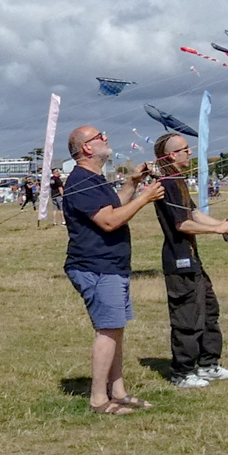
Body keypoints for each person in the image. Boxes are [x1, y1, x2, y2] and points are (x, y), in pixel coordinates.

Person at [60, 125, 163, 415]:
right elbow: (109, 221)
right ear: (86, 148)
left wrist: (132, 183)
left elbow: (113, 206)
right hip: (96, 267)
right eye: (99, 136)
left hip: (112, 266)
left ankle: (118, 392)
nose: (106, 138)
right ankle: (98, 399)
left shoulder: (95, 179)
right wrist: (145, 198)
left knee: (116, 329)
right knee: (107, 331)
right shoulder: (80, 181)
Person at [152, 133, 228, 389]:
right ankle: (182, 372)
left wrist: (225, 225)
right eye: (185, 149)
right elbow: (182, 224)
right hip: (178, 260)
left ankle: (208, 363)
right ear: (172, 155)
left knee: (209, 310)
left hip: (192, 259)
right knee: (187, 317)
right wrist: (215, 229)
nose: (190, 153)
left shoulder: (177, 180)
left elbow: (193, 213)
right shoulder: (167, 183)